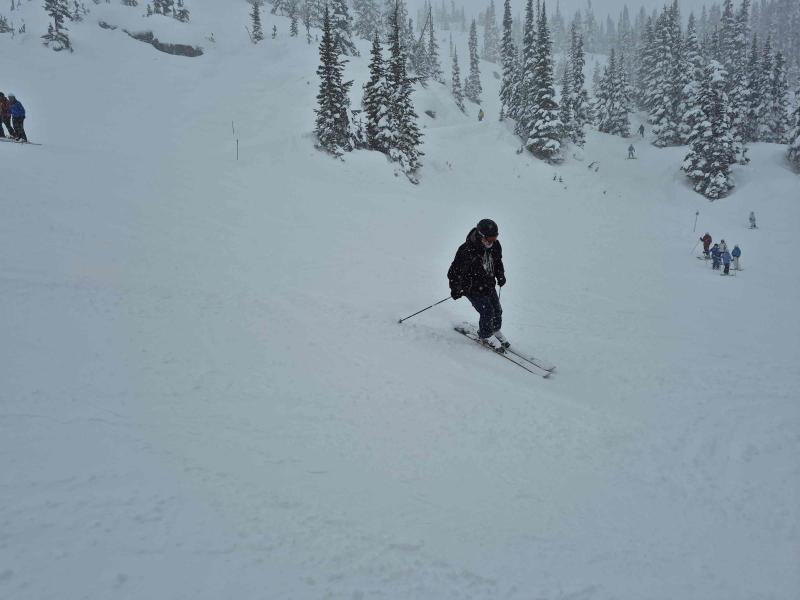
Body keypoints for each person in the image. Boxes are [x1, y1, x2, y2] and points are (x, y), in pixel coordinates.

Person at [448, 218, 508, 351]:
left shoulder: (495, 246)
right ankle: (486, 335)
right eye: (489, 239)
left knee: (497, 310)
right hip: (471, 288)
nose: (492, 242)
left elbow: (498, 263)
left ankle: (494, 330)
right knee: (487, 311)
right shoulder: (466, 250)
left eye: (494, 238)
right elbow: (453, 272)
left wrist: (501, 275)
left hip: (488, 284)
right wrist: (455, 288)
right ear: (481, 236)